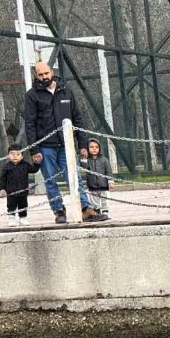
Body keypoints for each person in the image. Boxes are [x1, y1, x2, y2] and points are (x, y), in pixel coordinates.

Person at [23, 61, 99, 223]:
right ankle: (58, 210)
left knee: (74, 177)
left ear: (52, 72)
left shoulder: (66, 90)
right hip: (45, 146)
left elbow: (77, 118)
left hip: (66, 145)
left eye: (46, 73)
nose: (44, 77)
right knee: (50, 180)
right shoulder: (32, 95)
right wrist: (34, 150)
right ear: (36, 76)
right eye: (40, 75)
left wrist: (82, 144)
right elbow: (29, 124)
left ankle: (85, 208)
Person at [0, 144, 40, 227]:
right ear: (8, 155)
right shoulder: (6, 167)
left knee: (23, 205)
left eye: (18, 154)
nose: (15, 156)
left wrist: (36, 163)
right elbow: (3, 179)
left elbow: (33, 170)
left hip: (23, 191)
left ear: (22, 156)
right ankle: (11, 219)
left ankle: (23, 218)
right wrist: (2, 188)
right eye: (12, 154)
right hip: (11, 191)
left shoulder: (25, 164)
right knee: (11, 205)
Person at [82, 138, 113, 220]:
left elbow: (108, 171)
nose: (94, 149)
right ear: (87, 148)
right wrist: (84, 159)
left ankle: (105, 212)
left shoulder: (104, 159)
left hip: (104, 184)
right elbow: (84, 169)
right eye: (91, 147)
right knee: (94, 200)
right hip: (92, 185)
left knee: (105, 199)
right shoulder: (87, 160)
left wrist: (110, 181)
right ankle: (97, 212)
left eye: (96, 147)